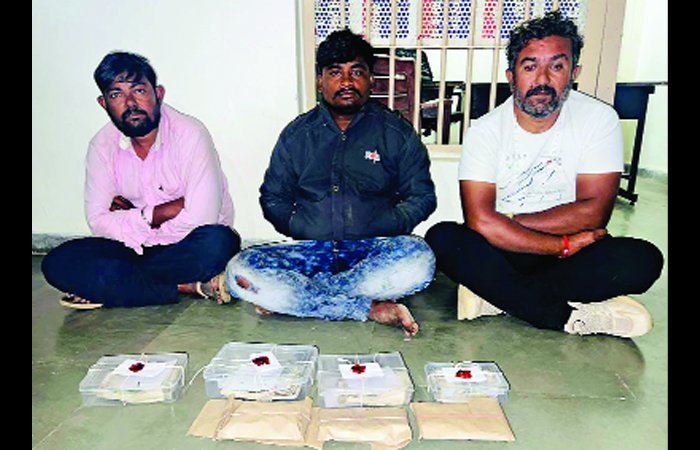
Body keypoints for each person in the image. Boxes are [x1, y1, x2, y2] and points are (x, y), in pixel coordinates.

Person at [424, 11, 663, 338]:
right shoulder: (485, 130)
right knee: (444, 238)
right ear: (511, 76)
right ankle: (562, 316)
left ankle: (497, 295)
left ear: (574, 73)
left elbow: (594, 213)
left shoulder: (599, 119)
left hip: (569, 249)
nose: (542, 79)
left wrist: (507, 221)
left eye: (557, 66)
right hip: (509, 250)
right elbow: (480, 222)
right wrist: (560, 244)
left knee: (642, 260)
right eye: (530, 67)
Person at [225, 29, 437, 336]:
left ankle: (297, 296)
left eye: (357, 72)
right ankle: (366, 306)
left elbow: (422, 196)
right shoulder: (297, 135)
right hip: (312, 251)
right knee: (239, 271)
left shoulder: (396, 133)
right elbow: (273, 197)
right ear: (320, 81)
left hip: (372, 251)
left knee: (419, 259)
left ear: (371, 80)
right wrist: (301, 227)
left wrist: (389, 222)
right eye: (336, 73)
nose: (347, 82)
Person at [42, 51, 240, 309]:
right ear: (104, 104)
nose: (130, 103)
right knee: (58, 262)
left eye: (138, 90)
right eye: (116, 95)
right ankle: (185, 286)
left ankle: (116, 286)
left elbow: (202, 218)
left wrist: (131, 218)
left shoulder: (191, 134)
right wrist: (157, 214)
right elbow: (98, 222)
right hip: (134, 248)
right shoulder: (102, 146)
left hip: (187, 246)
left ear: (158, 94)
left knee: (219, 242)